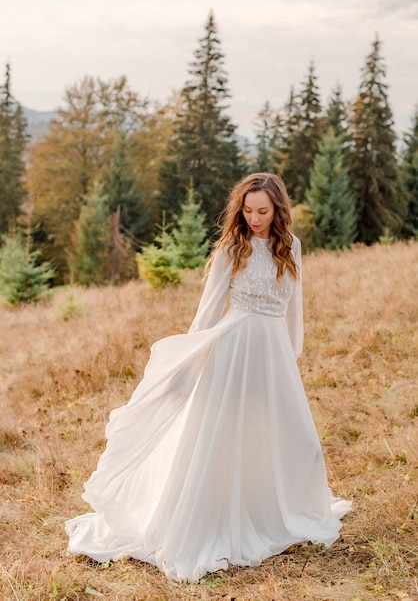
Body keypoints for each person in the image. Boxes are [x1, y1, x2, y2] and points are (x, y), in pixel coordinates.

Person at [65, 172, 351, 582]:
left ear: (278, 211)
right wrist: (188, 361)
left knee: (288, 437)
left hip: (273, 356)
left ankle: (272, 510)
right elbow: (208, 310)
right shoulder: (230, 249)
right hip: (232, 352)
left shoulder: (292, 247)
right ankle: (216, 517)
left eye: (263, 211)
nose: (255, 218)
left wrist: (291, 356)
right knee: (223, 435)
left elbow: (294, 308)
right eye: (248, 210)